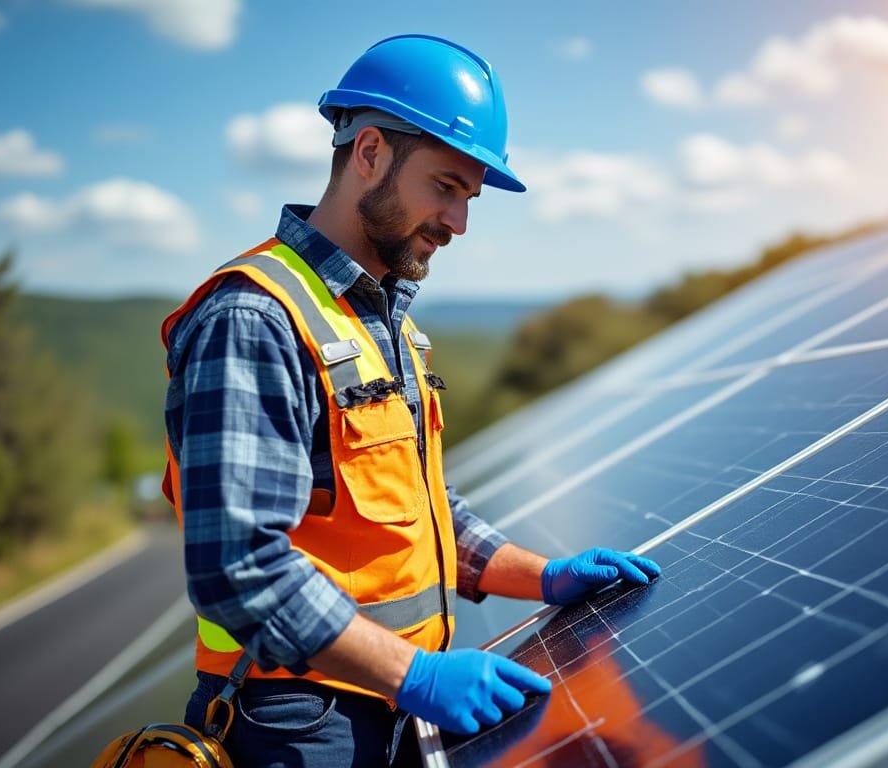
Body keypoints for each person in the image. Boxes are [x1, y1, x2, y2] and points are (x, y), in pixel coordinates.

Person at [162, 34, 661, 768]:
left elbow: (420, 510)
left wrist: (540, 576)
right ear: (368, 152)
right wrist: (415, 675)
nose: (459, 223)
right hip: (300, 730)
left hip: (389, 712)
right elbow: (239, 565)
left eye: (469, 199)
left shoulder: (386, 322)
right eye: (446, 187)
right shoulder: (254, 318)